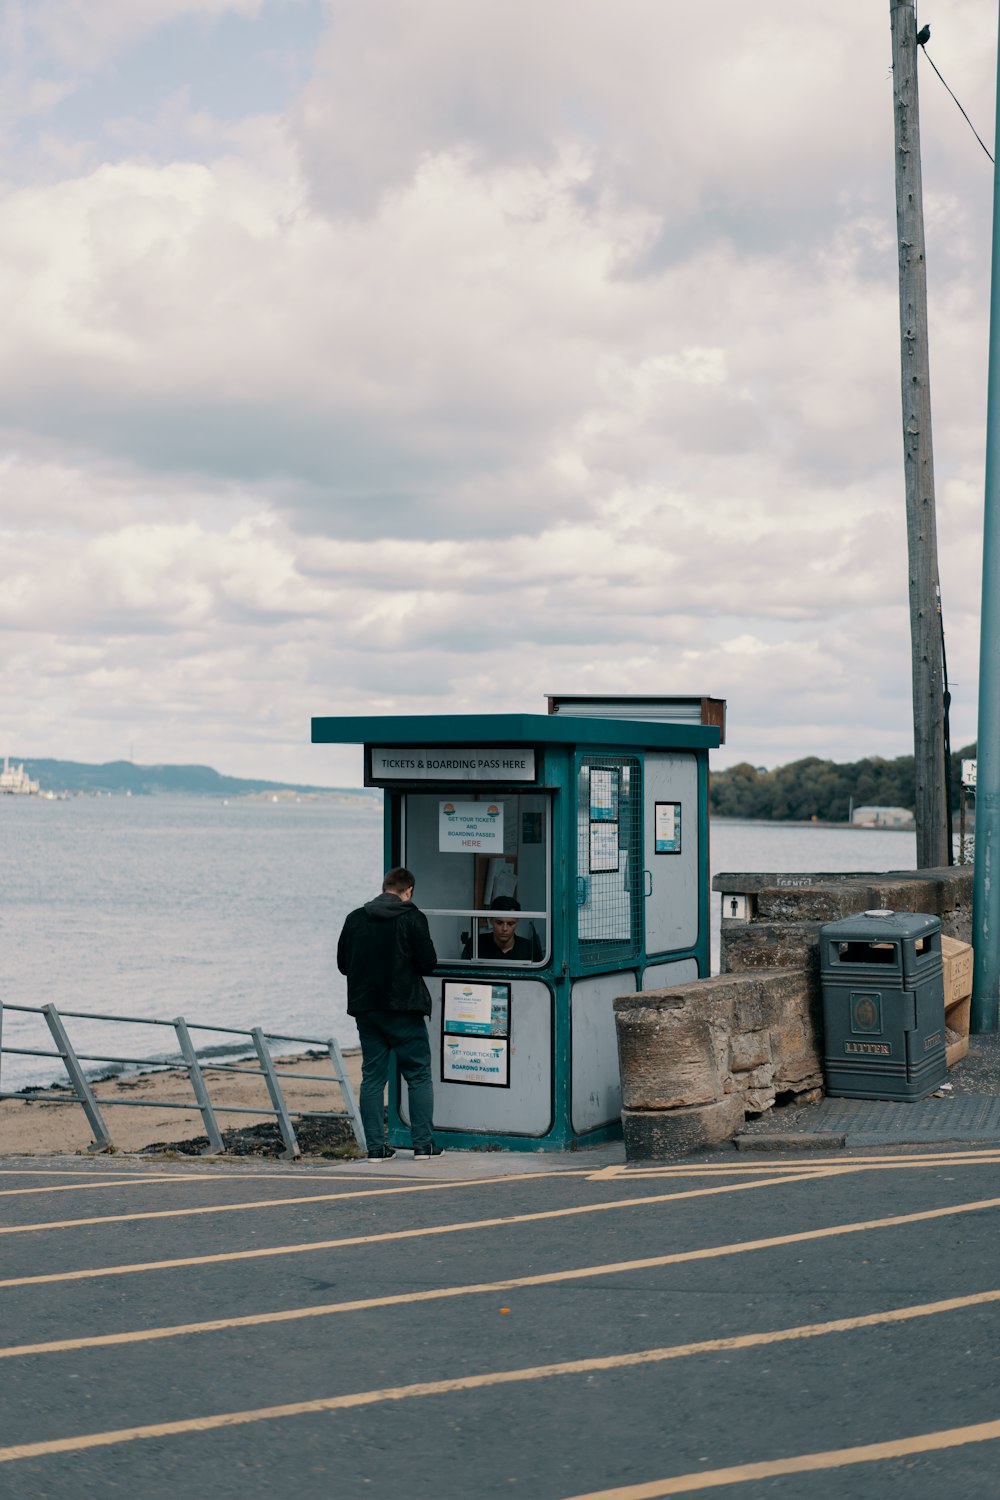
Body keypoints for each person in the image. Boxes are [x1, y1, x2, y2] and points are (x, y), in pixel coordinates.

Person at [337, 866, 442, 1161]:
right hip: (404, 1008)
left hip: (367, 1009)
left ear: (384, 887)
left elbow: (344, 965)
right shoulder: (412, 917)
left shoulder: (355, 918)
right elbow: (428, 963)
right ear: (408, 891)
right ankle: (423, 1145)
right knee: (418, 1075)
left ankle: (375, 1148)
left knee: (373, 1077)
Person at [462, 895, 535, 961]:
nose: (504, 929)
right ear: (491, 920)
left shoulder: (529, 948)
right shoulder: (474, 944)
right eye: (499, 923)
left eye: (510, 923)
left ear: (517, 922)